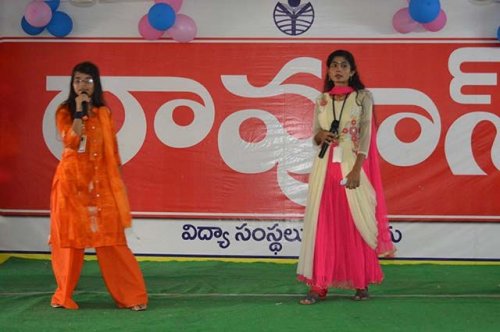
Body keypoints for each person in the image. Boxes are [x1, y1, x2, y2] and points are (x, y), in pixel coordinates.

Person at [296, 50, 395, 304]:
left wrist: (356, 170)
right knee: (324, 225)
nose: (338, 69)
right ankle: (319, 285)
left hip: (353, 167)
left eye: (343, 65)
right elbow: (315, 134)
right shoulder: (321, 100)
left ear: (352, 71)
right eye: (333, 66)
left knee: (356, 223)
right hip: (325, 169)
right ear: (328, 71)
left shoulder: (363, 98)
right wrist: (322, 137)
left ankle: (360, 282)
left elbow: (365, 135)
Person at [49, 61, 148, 311]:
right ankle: (63, 296)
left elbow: (111, 151)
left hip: (101, 186)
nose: (82, 85)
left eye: (87, 80)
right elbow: (71, 141)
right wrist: (79, 112)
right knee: (70, 242)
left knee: (112, 241)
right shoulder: (64, 111)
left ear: (96, 84)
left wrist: (116, 183)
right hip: (71, 186)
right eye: (78, 80)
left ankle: (132, 297)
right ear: (72, 84)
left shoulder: (104, 112)